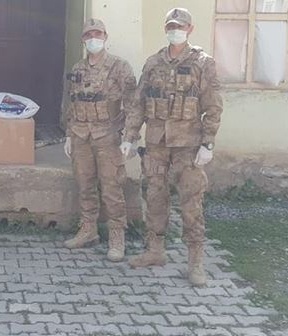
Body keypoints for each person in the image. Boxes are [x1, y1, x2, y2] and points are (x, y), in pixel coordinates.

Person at [121, 8, 223, 286]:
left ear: (190, 29)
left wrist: (208, 143)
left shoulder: (203, 63)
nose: (174, 30)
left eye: (180, 26)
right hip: (156, 144)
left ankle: (196, 262)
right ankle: (155, 251)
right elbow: (139, 103)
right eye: (170, 26)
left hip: (188, 146)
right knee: (153, 197)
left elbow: (213, 106)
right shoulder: (154, 63)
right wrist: (129, 136)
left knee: (191, 202)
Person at [63, 19, 137, 262]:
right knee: (84, 185)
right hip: (81, 135)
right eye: (88, 35)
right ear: (83, 40)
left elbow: (133, 105)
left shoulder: (120, 67)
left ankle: (117, 236)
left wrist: (129, 137)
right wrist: (68, 135)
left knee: (112, 187)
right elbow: (71, 103)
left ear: (105, 36)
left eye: (97, 34)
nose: (93, 38)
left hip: (108, 136)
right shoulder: (77, 69)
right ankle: (88, 230)